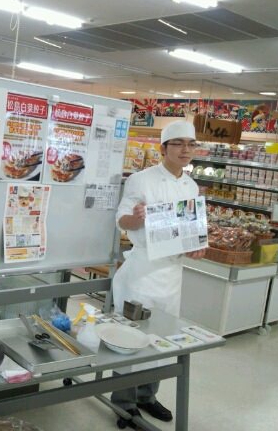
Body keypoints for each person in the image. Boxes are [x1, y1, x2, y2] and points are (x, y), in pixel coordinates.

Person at [110, 120, 206, 429]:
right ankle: (124, 403)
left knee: (162, 339)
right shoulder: (141, 180)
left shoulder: (190, 186)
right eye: (178, 143)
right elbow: (122, 220)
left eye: (191, 144)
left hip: (172, 275)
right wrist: (137, 219)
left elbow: (186, 232)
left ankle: (147, 395)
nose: (185, 149)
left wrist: (195, 246)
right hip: (142, 272)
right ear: (163, 148)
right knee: (131, 338)